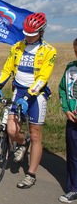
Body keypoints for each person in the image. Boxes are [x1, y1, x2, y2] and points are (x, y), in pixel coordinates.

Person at [0, 12, 57, 189]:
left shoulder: (49, 51)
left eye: (31, 33)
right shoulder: (17, 47)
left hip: (37, 95)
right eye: (25, 32)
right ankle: (22, 142)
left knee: (35, 135)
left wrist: (28, 96)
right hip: (18, 91)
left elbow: (43, 77)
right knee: (12, 130)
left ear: (41, 32)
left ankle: (31, 174)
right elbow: (7, 68)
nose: (27, 36)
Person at [58, 38, 77, 203]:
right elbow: (63, 89)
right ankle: (73, 189)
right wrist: (66, 109)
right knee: (73, 155)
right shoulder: (71, 68)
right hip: (73, 120)